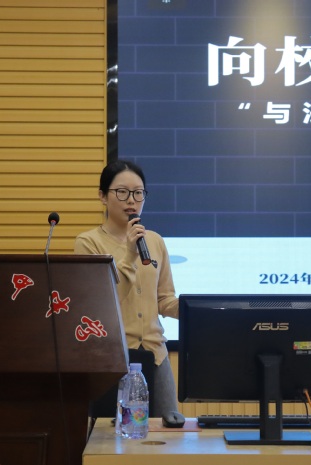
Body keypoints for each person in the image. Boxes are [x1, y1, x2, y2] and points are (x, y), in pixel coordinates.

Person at [74, 159, 180, 417]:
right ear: (102, 196)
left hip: (155, 355)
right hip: (112, 357)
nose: (131, 200)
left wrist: (193, 310)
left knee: (168, 430)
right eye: (122, 192)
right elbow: (102, 303)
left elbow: (164, 299)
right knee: (111, 433)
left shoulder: (154, 241)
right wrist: (130, 254)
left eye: (138, 193)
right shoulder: (89, 243)